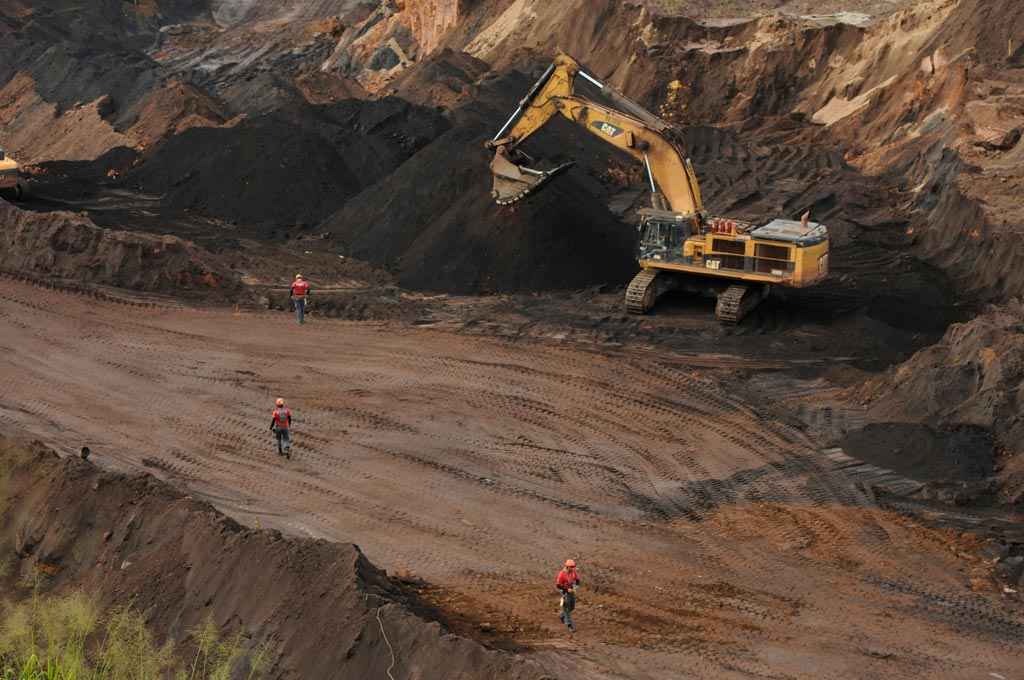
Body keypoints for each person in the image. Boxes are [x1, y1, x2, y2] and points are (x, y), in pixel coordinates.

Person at [555, 559, 581, 633]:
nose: (573, 568)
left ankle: (562, 615)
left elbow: (578, 581)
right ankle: (570, 625)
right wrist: (566, 590)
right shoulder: (562, 574)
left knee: (572, 607)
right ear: (567, 567)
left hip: (571, 591)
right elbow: (558, 585)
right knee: (566, 608)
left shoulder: (573, 572)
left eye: (574, 566)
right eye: (571, 567)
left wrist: (575, 587)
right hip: (564, 592)